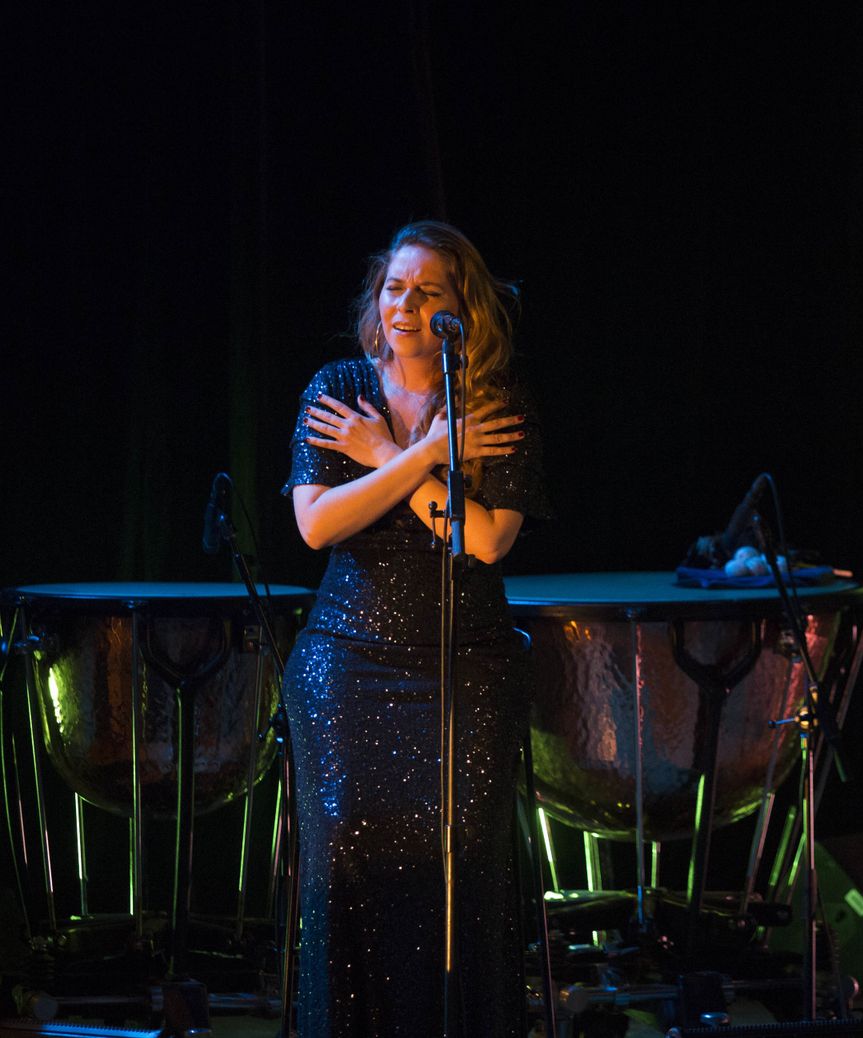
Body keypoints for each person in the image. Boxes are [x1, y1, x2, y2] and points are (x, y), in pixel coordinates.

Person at [282, 220, 550, 1036]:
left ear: (459, 308)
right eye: (395, 286)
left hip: (462, 665)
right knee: (346, 872)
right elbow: (318, 527)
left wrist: (383, 458)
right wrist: (419, 457)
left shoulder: (494, 406)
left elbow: (489, 539)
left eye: (428, 291)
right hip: (347, 665)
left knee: (463, 868)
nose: (406, 303)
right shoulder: (337, 388)